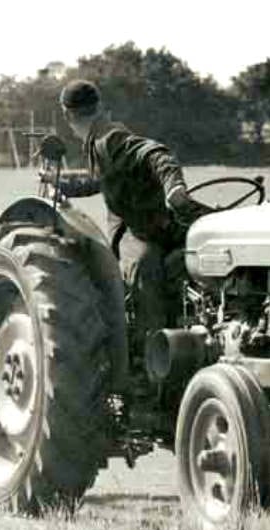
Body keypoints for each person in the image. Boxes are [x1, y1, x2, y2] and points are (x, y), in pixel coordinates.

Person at [47, 79, 207, 366]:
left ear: (68, 115)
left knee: (150, 263)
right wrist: (62, 185)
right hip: (142, 228)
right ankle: (151, 356)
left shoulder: (109, 138)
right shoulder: (98, 139)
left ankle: (159, 355)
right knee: (145, 264)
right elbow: (101, 180)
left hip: (146, 227)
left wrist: (174, 187)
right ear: (99, 106)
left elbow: (156, 153)